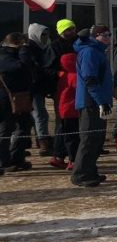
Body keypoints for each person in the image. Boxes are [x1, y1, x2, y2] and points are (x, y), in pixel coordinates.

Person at [71, 25, 113, 188]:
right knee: (89, 139)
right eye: (104, 35)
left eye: (109, 34)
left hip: (98, 100)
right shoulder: (90, 52)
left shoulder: (98, 52)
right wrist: (101, 101)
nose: (108, 37)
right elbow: (90, 80)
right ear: (95, 36)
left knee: (97, 139)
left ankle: (90, 171)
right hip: (91, 102)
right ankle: (80, 174)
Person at [44, 19, 78, 166]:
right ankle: (66, 156)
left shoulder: (77, 43)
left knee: (65, 123)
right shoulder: (54, 46)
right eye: (67, 30)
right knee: (66, 123)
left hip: (74, 85)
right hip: (62, 87)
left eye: (72, 29)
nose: (70, 32)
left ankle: (60, 155)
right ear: (61, 31)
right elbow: (47, 68)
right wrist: (60, 74)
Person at [0, 33, 35, 174]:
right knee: (5, 129)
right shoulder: (4, 55)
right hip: (5, 98)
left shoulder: (16, 54)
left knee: (25, 125)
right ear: (16, 43)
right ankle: (3, 161)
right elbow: (22, 67)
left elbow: (30, 68)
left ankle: (17, 157)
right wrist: (24, 50)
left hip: (21, 97)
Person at [24, 23, 56, 156]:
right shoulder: (29, 49)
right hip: (32, 88)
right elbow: (33, 68)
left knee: (34, 115)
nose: (45, 37)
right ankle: (43, 142)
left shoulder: (40, 47)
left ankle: (38, 140)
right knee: (40, 114)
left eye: (46, 35)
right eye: (42, 34)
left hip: (38, 87)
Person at [53, 47, 80, 171]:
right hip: (72, 110)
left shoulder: (62, 74)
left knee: (63, 133)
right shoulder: (74, 76)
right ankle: (73, 160)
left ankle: (59, 156)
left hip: (63, 109)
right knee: (72, 137)